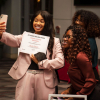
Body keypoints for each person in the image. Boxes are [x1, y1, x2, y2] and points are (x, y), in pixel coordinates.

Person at [0, 10, 64, 100]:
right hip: (26, 76)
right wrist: (1, 34)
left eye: (42, 21)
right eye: (35, 20)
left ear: (48, 23)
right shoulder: (26, 37)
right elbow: (13, 39)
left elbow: (60, 62)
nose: (38, 23)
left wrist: (41, 63)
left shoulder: (55, 41)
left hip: (45, 78)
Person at [61, 25, 100, 100]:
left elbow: (91, 81)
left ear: (76, 39)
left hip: (91, 96)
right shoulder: (74, 56)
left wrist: (76, 97)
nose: (65, 39)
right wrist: (69, 90)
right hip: (82, 94)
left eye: (68, 37)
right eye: (65, 36)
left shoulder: (81, 56)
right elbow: (80, 80)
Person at [72, 10, 100, 81]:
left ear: (89, 24)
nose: (77, 22)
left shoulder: (88, 40)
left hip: (87, 77)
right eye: (77, 20)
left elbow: (85, 64)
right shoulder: (83, 37)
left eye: (81, 21)